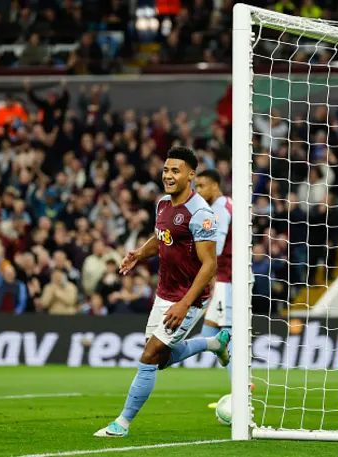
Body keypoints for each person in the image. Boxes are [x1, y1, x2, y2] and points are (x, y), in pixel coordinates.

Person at [94, 147, 230, 438]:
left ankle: (122, 424)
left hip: (189, 297)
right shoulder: (162, 204)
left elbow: (209, 266)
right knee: (160, 358)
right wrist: (139, 254)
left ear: (191, 175)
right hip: (164, 292)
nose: (168, 175)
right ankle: (214, 344)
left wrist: (184, 304)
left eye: (175, 170)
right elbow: (161, 238)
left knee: (150, 355)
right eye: (166, 170)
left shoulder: (201, 214)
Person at [195, 169, 233, 403]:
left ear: (215, 186)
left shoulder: (218, 210)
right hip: (224, 282)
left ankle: (242, 393)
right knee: (208, 334)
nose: (198, 191)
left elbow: (215, 251)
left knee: (230, 339)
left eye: (201, 186)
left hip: (229, 282)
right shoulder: (230, 204)